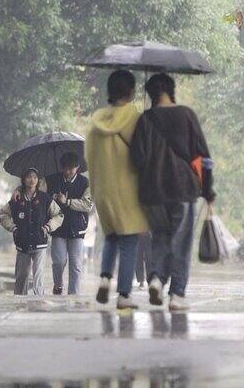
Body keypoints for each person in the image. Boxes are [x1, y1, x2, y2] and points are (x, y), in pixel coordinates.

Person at [130, 73, 215, 312]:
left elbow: (137, 159)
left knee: (161, 237)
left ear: (151, 94)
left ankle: (156, 278)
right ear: (170, 90)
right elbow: (202, 158)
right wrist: (208, 191)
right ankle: (176, 294)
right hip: (182, 188)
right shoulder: (187, 115)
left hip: (152, 191)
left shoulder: (146, 119)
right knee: (181, 240)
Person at [86, 70, 150, 310]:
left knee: (111, 235)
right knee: (129, 241)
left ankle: (105, 278)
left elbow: (89, 157)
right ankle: (124, 294)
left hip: (103, 189)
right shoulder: (134, 117)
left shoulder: (95, 121)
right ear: (131, 92)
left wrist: (96, 188)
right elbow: (143, 155)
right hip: (128, 190)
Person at [0, 168, 64, 295]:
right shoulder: (16, 198)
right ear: (24, 180)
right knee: (21, 275)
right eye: (29, 177)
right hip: (22, 243)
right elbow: (3, 214)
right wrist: (13, 227)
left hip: (40, 242)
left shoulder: (45, 198)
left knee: (38, 275)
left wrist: (48, 227)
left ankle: (38, 300)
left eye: (35, 177)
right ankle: (19, 301)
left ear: (38, 180)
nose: (32, 180)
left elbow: (59, 214)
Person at [45, 153, 93, 295]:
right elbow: (43, 197)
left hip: (77, 228)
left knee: (76, 264)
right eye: (65, 168)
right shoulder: (53, 180)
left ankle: (74, 294)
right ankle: (58, 285)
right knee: (59, 262)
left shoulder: (85, 183)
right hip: (58, 228)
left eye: (71, 168)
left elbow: (87, 204)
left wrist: (68, 201)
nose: (67, 171)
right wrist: (54, 197)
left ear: (77, 167)